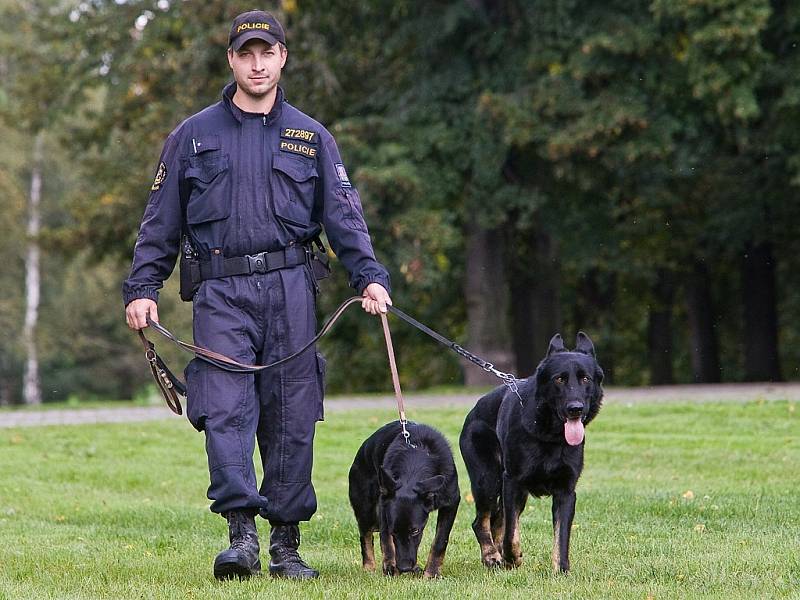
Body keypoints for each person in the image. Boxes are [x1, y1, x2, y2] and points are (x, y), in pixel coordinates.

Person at [122, 9, 392, 581]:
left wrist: (368, 276)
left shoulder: (311, 137)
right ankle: (241, 537)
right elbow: (159, 223)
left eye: (267, 53)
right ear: (232, 61)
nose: (257, 63)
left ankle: (286, 546)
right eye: (246, 54)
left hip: (292, 290)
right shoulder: (192, 137)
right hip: (220, 291)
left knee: (291, 414)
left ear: (282, 58)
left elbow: (344, 219)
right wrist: (143, 288)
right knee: (224, 409)